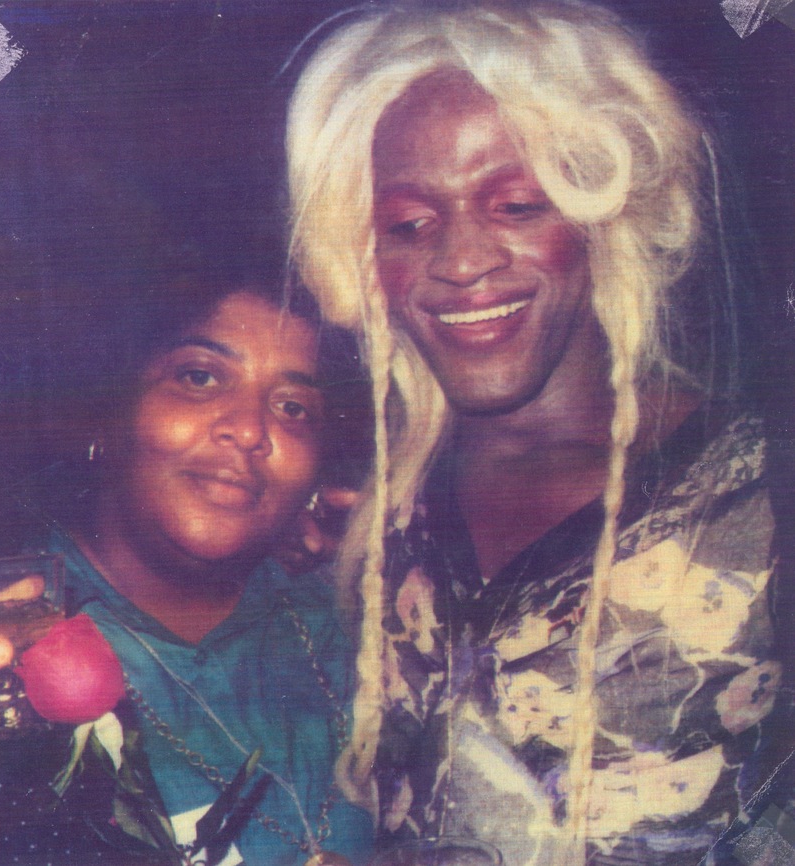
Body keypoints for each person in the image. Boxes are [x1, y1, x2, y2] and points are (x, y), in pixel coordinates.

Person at [286, 1, 789, 863]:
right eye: (409, 224)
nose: (463, 259)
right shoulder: (377, 518)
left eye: (517, 204)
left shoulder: (757, 492)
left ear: (602, 211)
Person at [0, 259, 374, 866]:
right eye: (200, 378)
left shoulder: (365, 622)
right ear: (105, 407)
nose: (250, 430)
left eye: (293, 407)